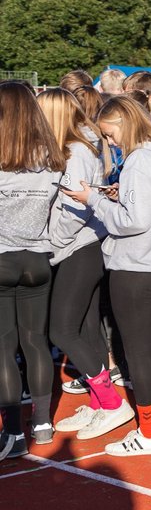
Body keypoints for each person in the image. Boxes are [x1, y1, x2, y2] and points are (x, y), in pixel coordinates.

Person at [66, 95, 151, 457]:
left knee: (136, 352)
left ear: (123, 122)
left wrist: (94, 199)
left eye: (109, 134)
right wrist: (119, 195)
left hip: (137, 265)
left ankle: (150, 432)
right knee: (150, 347)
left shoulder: (138, 160)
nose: (110, 143)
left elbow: (133, 221)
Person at [39, 89, 130, 442]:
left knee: (61, 330)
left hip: (78, 248)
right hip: (84, 246)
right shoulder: (80, 147)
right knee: (87, 329)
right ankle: (99, 402)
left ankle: (110, 403)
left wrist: (51, 243)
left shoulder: (76, 151)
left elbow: (74, 208)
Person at [0, 81, 64, 457]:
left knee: (4, 348)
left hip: (4, 258)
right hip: (38, 259)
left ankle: (12, 431)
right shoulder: (51, 157)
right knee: (36, 342)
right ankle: (41, 422)